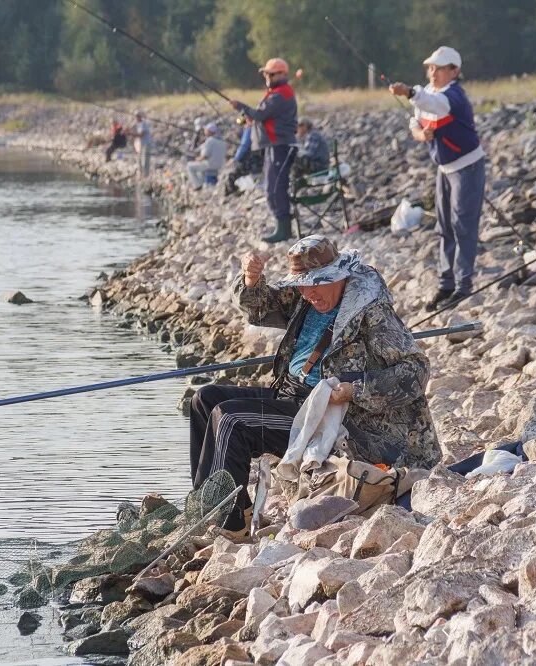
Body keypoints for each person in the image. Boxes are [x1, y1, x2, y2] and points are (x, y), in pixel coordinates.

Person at [189, 235, 440, 534]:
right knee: (204, 399)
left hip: (343, 423)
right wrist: (251, 278)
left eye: (318, 284)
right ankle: (220, 509)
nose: (310, 293)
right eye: (303, 285)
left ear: (339, 276)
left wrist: (355, 390)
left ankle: (224, 525)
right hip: (294, 397)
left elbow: (416, 371)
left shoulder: (372, 312)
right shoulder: (307, 298)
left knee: (232, 419)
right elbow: (259, 307)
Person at [390, 46, 486, 312]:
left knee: (462, 225)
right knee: (444, 226)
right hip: (444, 169)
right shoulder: (429, 93)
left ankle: (464, 286)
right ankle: (446, 284)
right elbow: (416, 121)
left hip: (467, 167)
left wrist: (410, 92)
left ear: (454, 71)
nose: (433, 72)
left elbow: (433, 105)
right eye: (430, 68)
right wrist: (421, 135)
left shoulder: (453, 96)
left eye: (439, 68)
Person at [229, 58, 298, 244]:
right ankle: (281, 226)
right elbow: (262, 117)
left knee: (276, 188)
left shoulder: (281, 94)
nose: (267, 76)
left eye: (272, 73)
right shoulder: (275, 93)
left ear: (283, 75)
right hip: (272, 146)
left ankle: (284, 230)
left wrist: (240, 106)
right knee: (270, 188)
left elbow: (260, 114)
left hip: (281, 146)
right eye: (266, 73)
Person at [223, 117, 264, 197]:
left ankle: (232, 193)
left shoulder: (249, 130)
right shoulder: (260, 129)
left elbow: (244, 147)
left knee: (231, 175)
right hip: (261, 160)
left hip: (251, 161)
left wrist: (235, 159)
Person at [186, 122, 228, 190]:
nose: (204, 131)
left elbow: (205, 156)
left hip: (210, 165)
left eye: (206, 130)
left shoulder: (210, 140)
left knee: (189, 166)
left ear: (209, 131)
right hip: (220, 165)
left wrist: (197, 159)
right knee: (200, 169)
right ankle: (204, 185)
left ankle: (198, 185)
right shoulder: (223, 141)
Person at [129, 109, 154, 176]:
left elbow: (141, 135)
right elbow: (134, 134)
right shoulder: (136, 124)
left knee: (145, 160)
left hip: (146, 143)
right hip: (139, 144)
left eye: (137, 116)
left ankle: (146, 175)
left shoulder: (144, 124)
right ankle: (141, 174)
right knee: (139, 160)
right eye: (136, 116)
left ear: (140, 116)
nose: (136, 117)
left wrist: (130, 133)